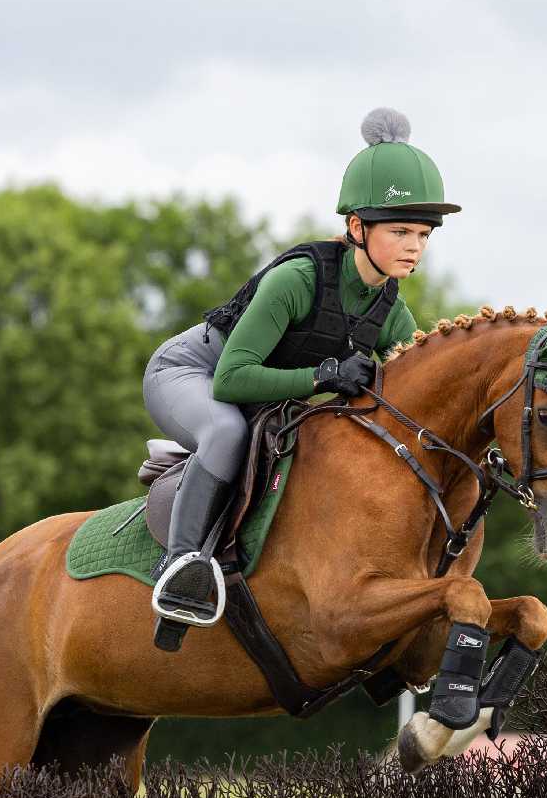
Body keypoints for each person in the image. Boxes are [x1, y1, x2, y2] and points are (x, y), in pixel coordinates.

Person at [142, 107, 461, 651]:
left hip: (248, 387)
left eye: (424, 234)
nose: (415, 246)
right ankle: (183, 569)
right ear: (356, 227)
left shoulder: (392, 313)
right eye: (401, 230)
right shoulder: (299, 278)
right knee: (226, 434)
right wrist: (325, 374)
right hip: (191, 371)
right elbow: (233, 380)